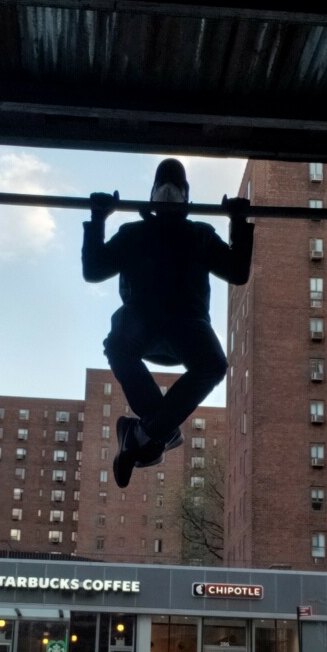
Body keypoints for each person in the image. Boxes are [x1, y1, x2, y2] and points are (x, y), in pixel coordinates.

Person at [82, 158, 254, 488]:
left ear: (187, 197)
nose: (168, 191)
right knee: (118, 344)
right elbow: (94, 270)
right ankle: (158, 431)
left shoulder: (199, 234)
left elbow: (237, 272)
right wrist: (98, 219)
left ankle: (143, 433)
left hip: (186, 323)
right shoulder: (134, 234)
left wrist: (239, 221)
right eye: (162, 186)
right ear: (151, 194)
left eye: (176, 187)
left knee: (214, 364)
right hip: (142, 320)